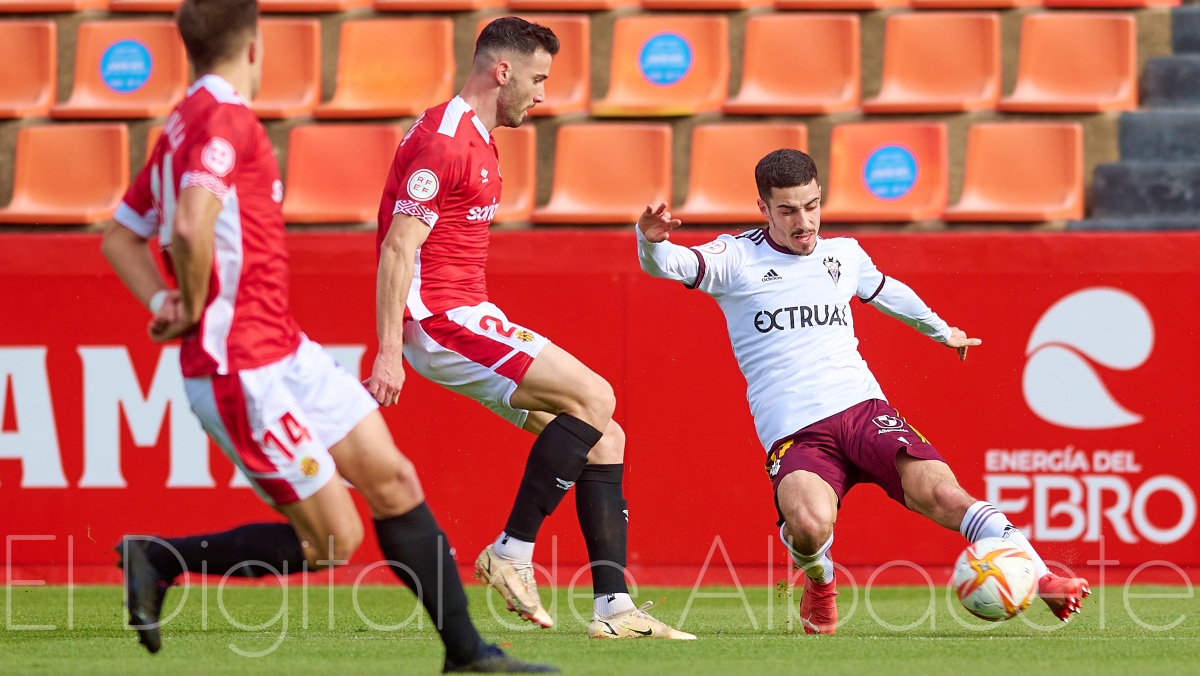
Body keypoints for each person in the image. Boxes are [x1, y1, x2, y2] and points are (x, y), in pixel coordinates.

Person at [102, 1, 556, 671]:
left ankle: (468, 653)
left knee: (395, 481)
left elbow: (120, 235)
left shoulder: (178, 126)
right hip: (239, 364)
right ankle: (163, 557)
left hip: (283, 348)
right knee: (334, 540)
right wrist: (191, 303)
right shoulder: (223, 120)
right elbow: (190, 228)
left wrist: (165, 298)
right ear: (253, 48)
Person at [634, 149, 1090, 634]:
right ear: (765, 209)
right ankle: (821, 580)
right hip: (795, 431)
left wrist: (942, 331)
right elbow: (670, 264)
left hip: (861, 408)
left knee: (942, 493)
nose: (803, 221)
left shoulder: (843, 254)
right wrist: (650, 242)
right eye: (787, 210)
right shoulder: (736, 259)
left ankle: (1041, 577)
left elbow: (886, 290)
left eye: (811, 205)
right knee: (809, 528)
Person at [368, 17, 692, 640]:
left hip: (466, 314)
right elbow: (396, 249)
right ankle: (512, 549)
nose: (543, 94)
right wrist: (389, 352)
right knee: (596, 395)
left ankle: (614, 610)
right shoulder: (445, 141)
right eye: (538, 78)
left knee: (605, 437)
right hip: (440, 321)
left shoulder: (478, 138)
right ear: (503, 71)